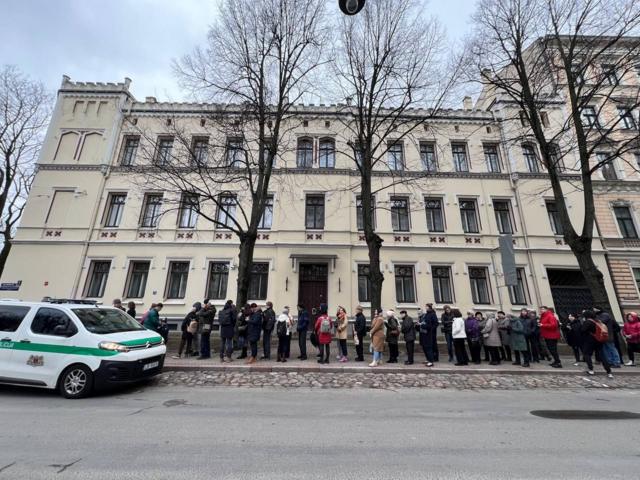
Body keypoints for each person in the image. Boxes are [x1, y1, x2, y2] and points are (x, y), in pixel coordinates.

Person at [581, 310, 612, 378]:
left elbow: (583, 330)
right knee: (602, 356)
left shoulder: (588, 322)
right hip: (599, 340)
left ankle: (591, 369)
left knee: (587, 354)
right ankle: (609, 372)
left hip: (590, 341)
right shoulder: (598, 321)